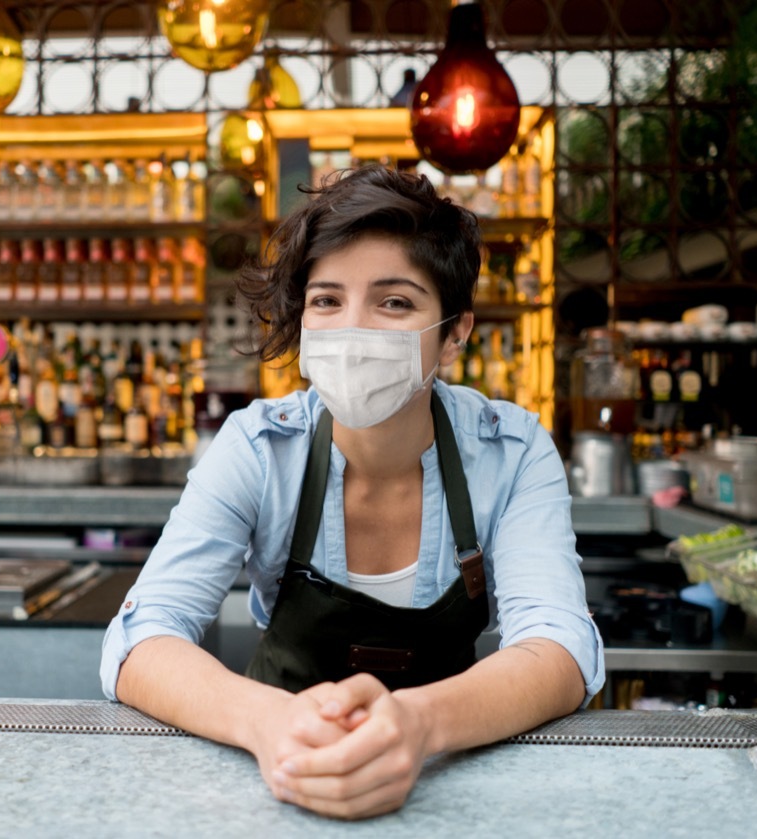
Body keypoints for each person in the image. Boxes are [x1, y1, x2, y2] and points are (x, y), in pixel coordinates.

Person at [100, 165, 604, 820]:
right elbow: (141, 640)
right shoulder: (258, 448)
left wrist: (417, 724)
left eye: (394, 302)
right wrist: (270, 723)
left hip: (450, 791)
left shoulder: (510, 451)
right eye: (328, 300)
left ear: (455, 333)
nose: (352, 330)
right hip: (270, 790)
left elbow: (559, 649)